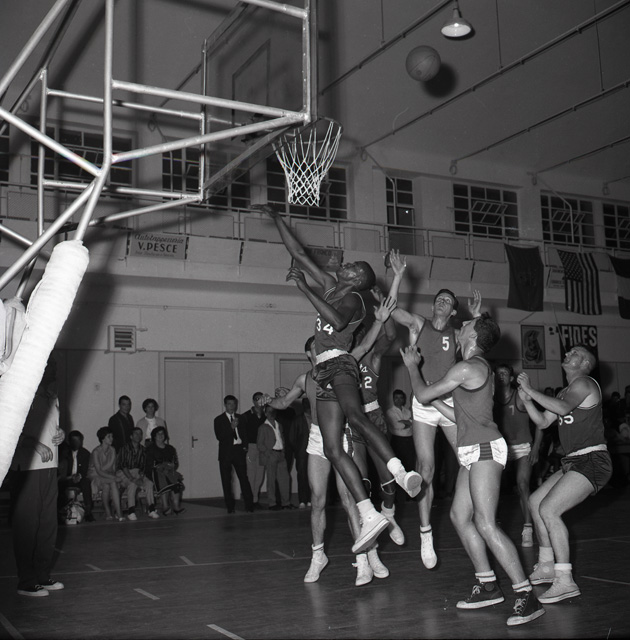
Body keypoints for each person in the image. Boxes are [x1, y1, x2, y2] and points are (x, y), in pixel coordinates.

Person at [259, 204, 421, 554]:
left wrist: (305, 289)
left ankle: (398, 471)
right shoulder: (332, 284)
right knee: (332, 449)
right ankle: (369, 514)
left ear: (358, 278)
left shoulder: (356, 300)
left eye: (353, 266)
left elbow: (335, 320)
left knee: (357, 418)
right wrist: (277, 219)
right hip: (324, 371)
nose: (346, 264)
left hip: (342, 364)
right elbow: (299, 253)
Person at [401, 313, 545, 627]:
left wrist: (412, 366)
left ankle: (526, 594)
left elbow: (422, 395)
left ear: (473, 336)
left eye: (466, 326)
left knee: (485, 523)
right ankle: (488, 585)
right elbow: (458, 413)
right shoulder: (476, 369)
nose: (461, 326)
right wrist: (435, 402)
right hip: (474, 450)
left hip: (484, 449)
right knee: (458, 516)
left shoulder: (468, 367)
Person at [267, 330, 391, 586]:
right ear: (309, 353)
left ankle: (367, 557)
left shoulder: (341, 366)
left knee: (349, 500)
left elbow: (365, 346)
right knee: (317, 500)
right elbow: (284, 403)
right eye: (318, 346)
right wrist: (270, 400)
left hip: (340, 436)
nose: (324, 349)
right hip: (317, 438)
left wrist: (379, 322)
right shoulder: (304, 379)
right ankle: (318, 556)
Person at [388, 249, 481, 569]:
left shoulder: (457, 334)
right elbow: (390, 311)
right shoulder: (419, 324)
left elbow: (480, 339)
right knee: (425, 470)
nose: (441, 301)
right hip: (423, 406)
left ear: (453, 311)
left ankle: (473, 512)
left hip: (450, 404)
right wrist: (398, 276)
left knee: (469, 459)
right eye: (438, 298)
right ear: (433, 306)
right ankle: (426, 533)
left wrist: (476, 318)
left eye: (447, 300)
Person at [517, 345, 613, 604]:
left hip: (593, 460)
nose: (569, 353)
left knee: (549, 509)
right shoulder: (564, 391)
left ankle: (565, 580)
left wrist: (530, 390)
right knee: (535, 502)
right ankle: (547, 565)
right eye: (569, 351)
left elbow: (561, 409)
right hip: (574, 461)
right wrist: (528, 401)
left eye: (576, 353)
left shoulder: (584, 383)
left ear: (585, 364)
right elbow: (543, 422)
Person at [10, 360, 65, 596]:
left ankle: (42, 575)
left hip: (50, 467)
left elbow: (52, 428)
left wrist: (61, 433)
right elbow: (10, 430)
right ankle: (26, 581)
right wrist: (33, 443)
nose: (53, 373)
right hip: (28, 467)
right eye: (48, 368)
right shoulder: (21, 395)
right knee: (27, 525)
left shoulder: (53, 398)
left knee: (47, 524)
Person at [493, 364, 542, 547]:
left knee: (522, 484)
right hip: (501, 448)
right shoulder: (490, 398)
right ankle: (494, 525)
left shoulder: (520, 396)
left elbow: (540, 422)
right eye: (498, 373)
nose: (501, 376)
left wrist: (536, 447)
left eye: (505, 373)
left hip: (522, 447)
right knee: (493, 487)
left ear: (511, 378)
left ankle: (527, 528)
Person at [213, 395, 254, 513]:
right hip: (226, 452)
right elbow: (219, 436)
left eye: (233, 404)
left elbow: (244, 434)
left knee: (244, 478)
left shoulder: (241, 418)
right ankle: (230, 507)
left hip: (238, 451)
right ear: (225, 405)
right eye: (229, 404)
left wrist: (245, 447)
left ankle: (249, 506)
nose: (232, 406)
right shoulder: (218, 419)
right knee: (226, 480)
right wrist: (231, 427)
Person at [116, 426, 160, 519]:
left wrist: (140, 477)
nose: (138, 436)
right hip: (125, 475)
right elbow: (123, 466)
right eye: (136, 434)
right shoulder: (124, 448)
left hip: (138, 474)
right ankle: (131, 511)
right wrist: (133, 479)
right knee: (132, 484)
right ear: (131, 436)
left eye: (140, 434)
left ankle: (151, 509)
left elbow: (143, 467)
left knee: (149, 483)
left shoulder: (143, 450)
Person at [257, 404, 292, 510]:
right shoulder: (263, 427)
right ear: (265, 413)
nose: (271, 413)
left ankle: (286, 503)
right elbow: (260, 444)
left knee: (284, 479)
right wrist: (268, 453)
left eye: (273, 411)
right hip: (271, 454)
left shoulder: (279, 425)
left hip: (281, 454)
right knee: (271, 480)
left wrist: (283, 451)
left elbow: (282, 438)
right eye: (268, 411)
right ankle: (272, 503)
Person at [145, 426, 185, 516]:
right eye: (158, 434)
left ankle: (176, 506)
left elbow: (175, 463)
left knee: (176, 482)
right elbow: (149, 465)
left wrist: (172, 465)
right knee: (164, 481)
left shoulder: (170, 448)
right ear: (154, 436)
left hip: (168, 471)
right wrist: (161, 467)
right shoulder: (150, 449)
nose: (160, 435)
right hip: (154, 472)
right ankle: (165, 506)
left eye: (162, 433)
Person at [88, 426, 124, 521]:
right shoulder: (96, 452)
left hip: (107, 474)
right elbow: (99, 471)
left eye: (112, 436)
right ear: (102, 439)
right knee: (112, 481)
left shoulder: (112, 449)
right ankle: (116, 513)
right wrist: (114, 478)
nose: (111, 438)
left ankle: (114, 513)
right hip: (95, 474)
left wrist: (114, 476)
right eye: (109, 436)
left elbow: (113, 468)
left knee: (109, 485)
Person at [58, 430, 94, 522]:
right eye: (75, 441)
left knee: (86, 482)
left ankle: (88, 511)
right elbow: (61, 472)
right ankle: (60, 512)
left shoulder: (85, 453)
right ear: (69, 441)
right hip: (67, 479)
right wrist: (71, 477)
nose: (77, 443)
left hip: (80, 479)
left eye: (79, 441)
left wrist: (79, 476)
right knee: (59, 485)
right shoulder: (64, 453)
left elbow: (85, 470)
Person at [386, 389, 416, 493]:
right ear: (393, 399)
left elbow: (414, 424)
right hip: (397, 441)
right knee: (399, 468)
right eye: (396, 398)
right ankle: (399, 493)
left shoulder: (408, 411)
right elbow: (397, 425)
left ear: (404, 399)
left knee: (410, 466)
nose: (398, 400)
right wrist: (409, 422)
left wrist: (405, 422)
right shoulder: (390, 412)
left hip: (409, 441)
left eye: (401, 398)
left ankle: (410, 492)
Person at [241, 392, 267, 508]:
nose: (259, 401)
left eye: (261, 399)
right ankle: (249, 500)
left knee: (260, 475)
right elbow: (243, 433)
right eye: (257, 399)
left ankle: (255, 500)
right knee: (251, 474)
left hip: (262, 448)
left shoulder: (266, 416)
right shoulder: (246, 416)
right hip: (251, 447)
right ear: (253, 401)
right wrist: (245, 447)